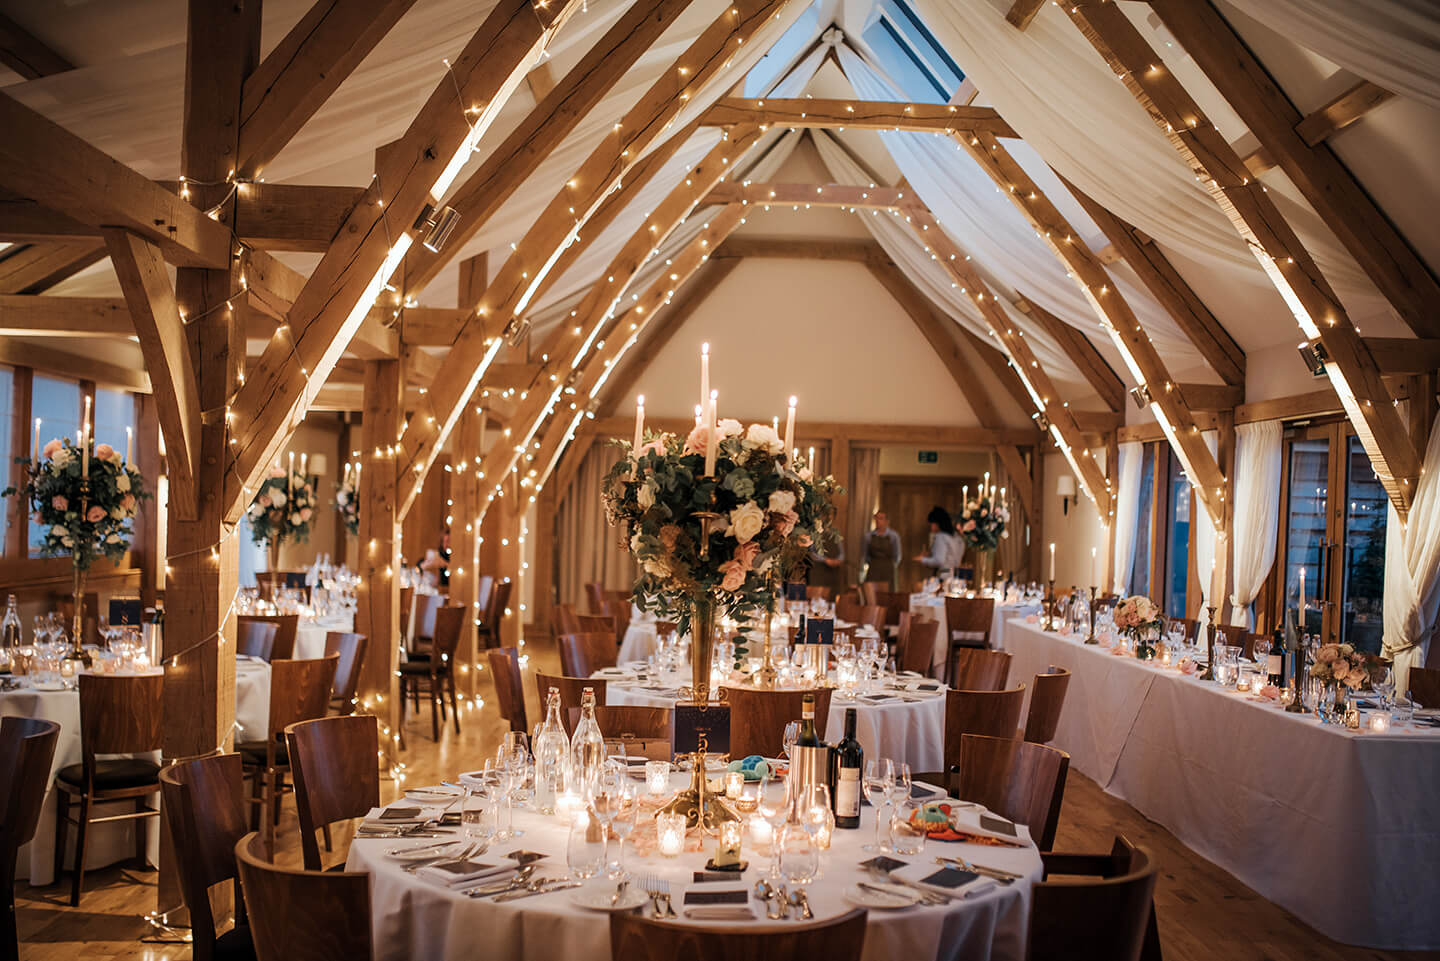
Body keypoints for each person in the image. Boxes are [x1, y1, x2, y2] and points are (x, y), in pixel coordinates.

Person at [915, 506, 963, 581]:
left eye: (932, 524)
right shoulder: (957, 538)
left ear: (938, 524)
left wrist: (923, 559)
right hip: (956, 576)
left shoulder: (941, 537)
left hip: (943, 577)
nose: (931, 527)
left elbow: (939, 561)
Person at [860, 511, 901, 591]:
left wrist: (891, 565)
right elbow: (864, 555)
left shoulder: (894, 536)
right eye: (876, 518)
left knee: (888, 596)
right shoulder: (868, 536)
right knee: (871, 593)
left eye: (881, 518)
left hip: (888, 569)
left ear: (887, 521)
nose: (878, 520)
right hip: (873, 568)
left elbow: (897, 556)